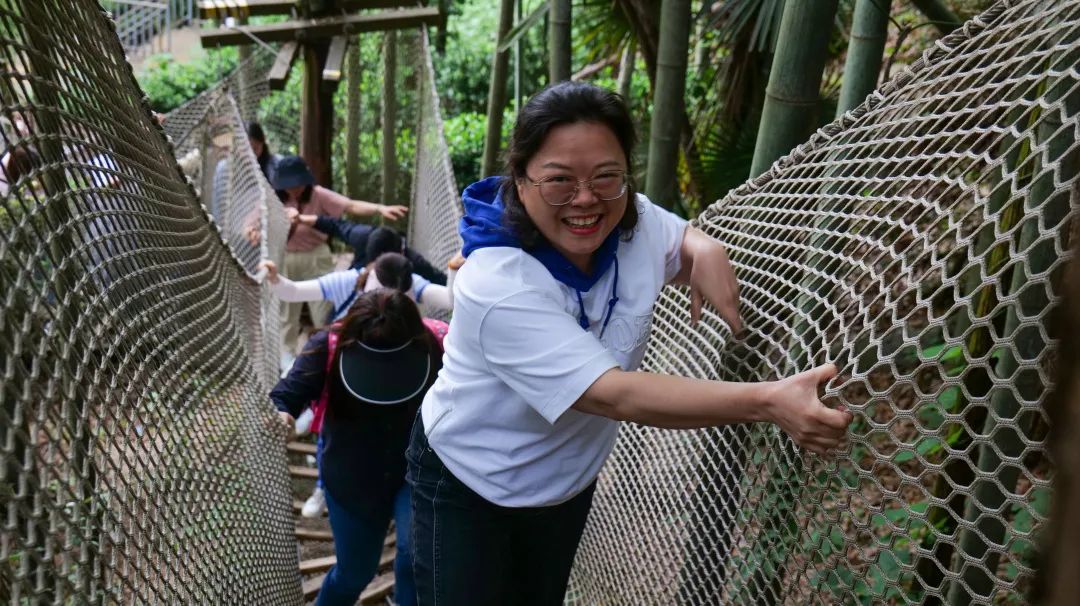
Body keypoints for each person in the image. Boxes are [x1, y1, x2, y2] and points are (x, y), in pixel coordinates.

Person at [405, 81, 853, 605]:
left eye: (606, 176)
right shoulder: (497, 284)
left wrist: (702, 245)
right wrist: (767, 400)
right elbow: (614, 394)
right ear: (520, 181)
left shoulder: (627, 217)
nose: (586, 199)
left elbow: (673, 235)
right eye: (559, 181)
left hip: (564, 486)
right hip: (468, 482)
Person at [272, 289, 443, 606]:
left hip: (416, 470)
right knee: (355, 572)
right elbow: (286, 394)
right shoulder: (329, 346)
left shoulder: (436, 342)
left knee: (415, 556)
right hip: (352, 474)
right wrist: (282, 417)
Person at [262, 251, 461, 517]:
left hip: (413, 463)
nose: (387, 302)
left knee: (411, 552)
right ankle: (322, 486)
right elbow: (289, 391)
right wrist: (282, 411)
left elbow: (454, 302)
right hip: (351, 459)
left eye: (400, 297)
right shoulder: (331, 340)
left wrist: (454, 272)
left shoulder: (436, 339)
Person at [273, 155, 409, 361]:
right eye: (289, 185)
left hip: (316, 256)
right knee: (286, 311)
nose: (294, 189)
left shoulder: (318, 194)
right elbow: (253, 223)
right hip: (285, 256)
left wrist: (379, 208)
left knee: (323, 307)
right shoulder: (273, 199)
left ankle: (322, 352)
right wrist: (252, 231)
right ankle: (287, 358)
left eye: (298, 183)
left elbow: (349, 206)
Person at [288, 208, 448, 284]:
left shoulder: (413, 262)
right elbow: (333, 225)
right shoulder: (361, 236)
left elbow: (439, 279)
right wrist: (301, 219)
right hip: (356, 283)